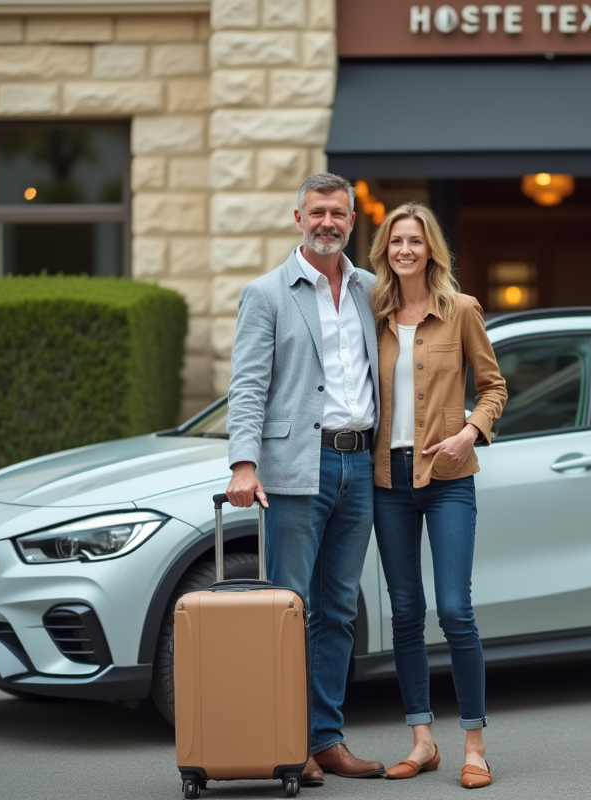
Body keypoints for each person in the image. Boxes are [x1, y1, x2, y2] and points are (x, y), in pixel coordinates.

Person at [225, 173, 386, 785]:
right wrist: (244, 462)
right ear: (298, 218)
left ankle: (326, 738)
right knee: (290, 608)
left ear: (351, 221)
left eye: (338, 213)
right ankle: (286, 740)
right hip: (296, 471)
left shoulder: (374, 290)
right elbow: (247, 386)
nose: (328, 222)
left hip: (360, 465)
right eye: (317, 212)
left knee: (339, 609)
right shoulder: (266, 293)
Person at [368, 203, 507, 789]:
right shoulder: (369, 313)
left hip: (449, 478)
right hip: (387, 481)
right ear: (384, 251)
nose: (405, 250)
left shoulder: (462, 311)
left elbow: (494, 385)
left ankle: (474, 744)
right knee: (404, 612)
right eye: (395, 241)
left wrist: (470, 432)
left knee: (454, 608)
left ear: (431, 251)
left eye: (415, 241)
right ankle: (422, 741)